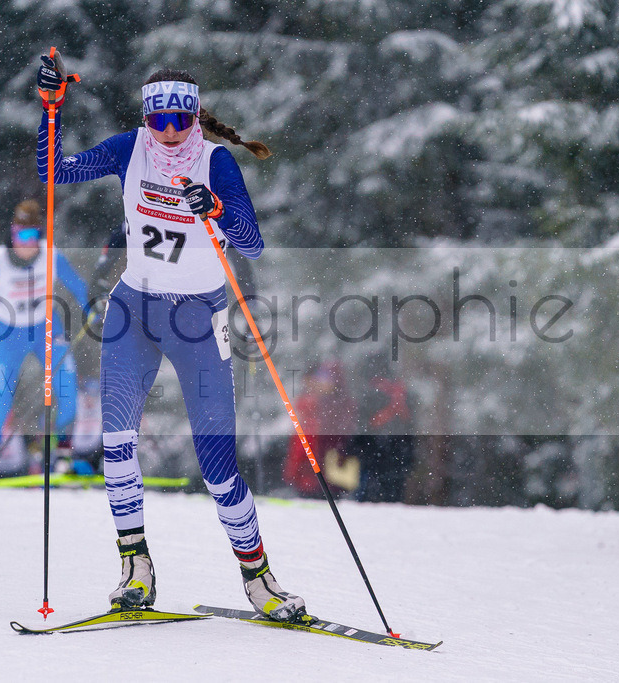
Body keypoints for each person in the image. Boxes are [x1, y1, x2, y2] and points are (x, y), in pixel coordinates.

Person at [36, 56, 309, 623]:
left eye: (179, 120)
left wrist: (216, 210)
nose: (167, 133)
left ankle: (259, 579)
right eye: (157, 121)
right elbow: (54, 173)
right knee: (115, 445)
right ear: (145, 118)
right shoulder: (128, 148)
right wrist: (51, 109)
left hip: (197, 320)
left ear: (194, 116)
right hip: (133, 310)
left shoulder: (215, 161)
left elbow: (252, 244)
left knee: (217, 467)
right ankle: (135, 566)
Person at [0, 199, 90, 481]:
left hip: (46, 330)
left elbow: (78, 286)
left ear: (40, 235)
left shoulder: (51, 256)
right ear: (11, 234)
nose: (25, 243)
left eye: (31, 236)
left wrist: (93, 308)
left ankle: (63, 458)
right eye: (18, 235)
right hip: (8, 335)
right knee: (0, 400)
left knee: (67, 389)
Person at [283, 360, 358, 497]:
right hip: (312, 467)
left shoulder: (333, 404)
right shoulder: (314, 402)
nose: (320, 383)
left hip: (325, 468)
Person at [351, 354, 415, 503]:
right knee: (393, 497)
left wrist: (356, 449)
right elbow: (410, 426)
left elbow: (364, 426)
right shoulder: (402, 394)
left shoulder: (372, 394)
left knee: (368, 497)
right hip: (396, 455)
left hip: (375, 456)